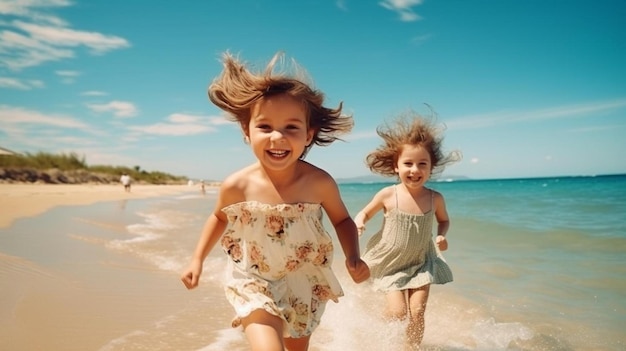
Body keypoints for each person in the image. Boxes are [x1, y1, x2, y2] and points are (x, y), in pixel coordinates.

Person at [181, 52, 370, 351]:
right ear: (247, 132)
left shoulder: (318, 183)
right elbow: (219, 218)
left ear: (309, 135)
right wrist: (197, 260)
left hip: (302, 280)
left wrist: (353, 257)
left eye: (291, 127)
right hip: (253, 279)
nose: (277, 137)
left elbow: (342, 220)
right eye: (265, 127)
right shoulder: (237, 185)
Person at [354, 112, 461, 349]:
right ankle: (376, 339)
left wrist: (442, 235)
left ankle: (412, 348)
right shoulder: (388, 195)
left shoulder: (435, 199)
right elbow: (364, 213)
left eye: (422, 164)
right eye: (408, 163)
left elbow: (444, 221)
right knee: (397, 312)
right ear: (396, 166)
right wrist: (360, 222)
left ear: (431, 168)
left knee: (417, 312)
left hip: (423, 261)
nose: (415, 169)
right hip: (391, 263)